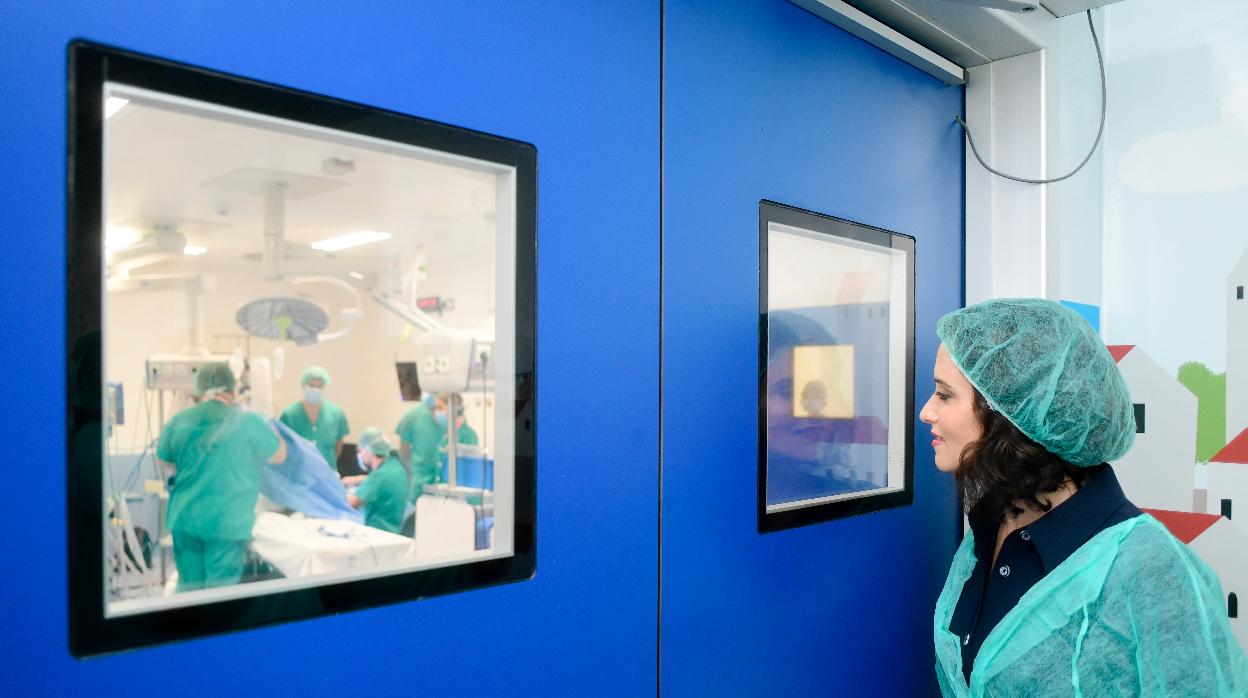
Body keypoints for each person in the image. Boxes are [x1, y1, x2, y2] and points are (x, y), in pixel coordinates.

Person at [921, 298, 1248, 695]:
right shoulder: (987, 528)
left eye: (943, 394)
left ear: (1007, 413)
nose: (926, 412)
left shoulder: (1153, 571)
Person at [156, 362, 287, 591]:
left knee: (188, 589)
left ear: (200, 389)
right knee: (219, 595)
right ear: (231, 390)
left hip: (185, 518)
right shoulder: (248, 422)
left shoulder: (179, 420)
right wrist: (271, 426)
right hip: (225, 524)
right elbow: (279, 456)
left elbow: (165, 461)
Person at [279, 366, 350, 469]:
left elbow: (338, 447)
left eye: (319, 386)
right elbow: (283, 447)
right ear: (304, 385)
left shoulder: (336, 413)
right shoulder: (290, 415)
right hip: (299, 475)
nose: (315, 390)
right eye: (312, 386)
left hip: (328, 473)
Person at [341, 427, 408, 534]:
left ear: (368, 451)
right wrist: (358, 479)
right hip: (393, 532)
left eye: (360, 450)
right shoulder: (396, 468)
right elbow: (383, 483)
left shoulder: (379, 476)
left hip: (377, 534)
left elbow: (350, 503)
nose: (360, 455)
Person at [395, 387, 440, 501]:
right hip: (418, 479)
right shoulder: (413, 416)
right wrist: (411, 471)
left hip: (441, 481)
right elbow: (403, 449)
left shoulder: (447, 418)